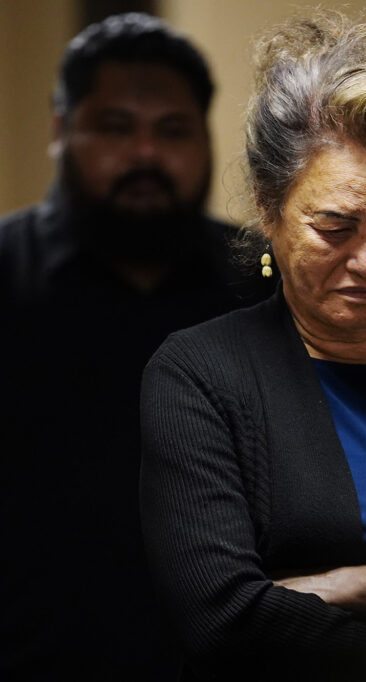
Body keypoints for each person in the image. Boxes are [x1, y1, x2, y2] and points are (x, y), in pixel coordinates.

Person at [138, 11, 366, 681]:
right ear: (270, 212)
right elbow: (222, 617)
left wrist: (359, 584)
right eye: (336, 227)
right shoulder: (199, 376)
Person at [0, 13, 272, 680]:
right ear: (62, 133)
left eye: (172, 131)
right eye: (116, 128)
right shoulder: (5, 273)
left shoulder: (263, 283)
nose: (146, 155)